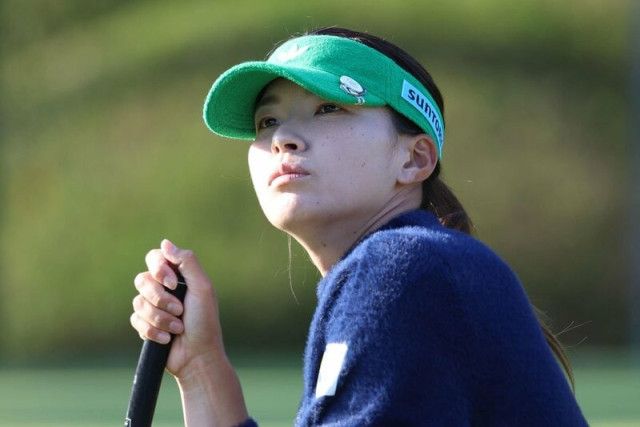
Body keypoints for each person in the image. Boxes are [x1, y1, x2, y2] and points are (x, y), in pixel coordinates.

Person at [129, 27, 589, 426]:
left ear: (414, 159)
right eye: (267, 121)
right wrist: (201, 367)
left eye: (329, 108)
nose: (282, 138)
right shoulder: (411, 267)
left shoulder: (402, 269)